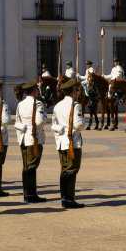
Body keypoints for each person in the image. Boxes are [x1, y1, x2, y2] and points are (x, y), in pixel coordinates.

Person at [51, 78, 85, 209]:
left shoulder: (58, 105)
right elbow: (79, 124)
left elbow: (54, 125)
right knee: (72, 170)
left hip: (61, 142)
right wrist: (83, 122)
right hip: (72, 143)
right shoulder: (76, 105)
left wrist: (62, 130)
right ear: (73, 91)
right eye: (77, 90)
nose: (78, 92)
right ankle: (69, 199)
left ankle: (64, 197)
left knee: (64, 170)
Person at [14, 78, 47, 203]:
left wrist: (24, 128)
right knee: (31, 167)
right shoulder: (38, 104)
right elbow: (39, 121)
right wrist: (45, 117)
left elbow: (17, 122)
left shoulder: (20, 104)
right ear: (34, 90)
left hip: (23, 138)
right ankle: (31, 195)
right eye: (37, 89)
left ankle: (27, 194)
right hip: (34, 139)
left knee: (26, 167)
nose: (38, 91)